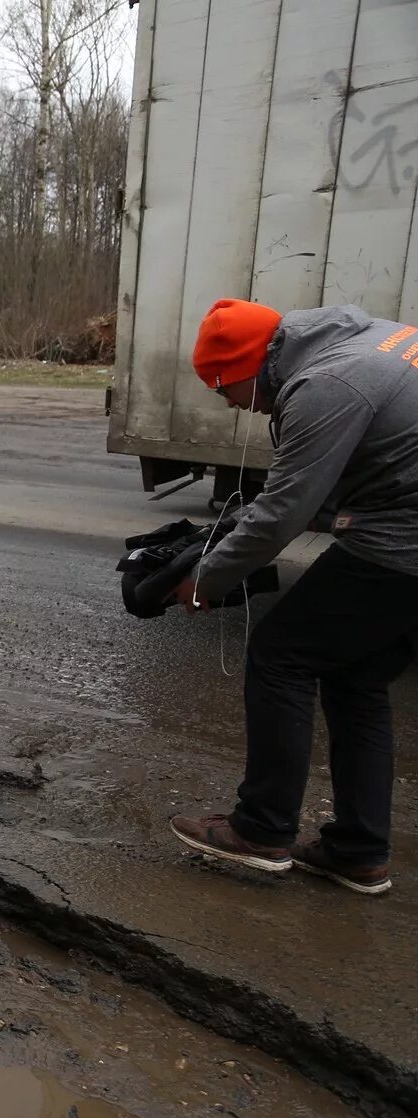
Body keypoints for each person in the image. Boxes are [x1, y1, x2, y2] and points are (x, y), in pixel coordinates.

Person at [169, 298, 418, 895]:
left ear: (248, 369)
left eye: (225, 390)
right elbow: (332, 485)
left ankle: (261, 830)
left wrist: (206, 580)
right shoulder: (372, 340)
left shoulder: (326, 385)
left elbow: (285, 514)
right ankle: (357, 850)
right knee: (356, 677)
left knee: (282, 655)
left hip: (403, 541)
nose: (232, 405)